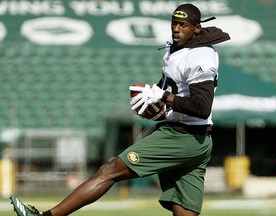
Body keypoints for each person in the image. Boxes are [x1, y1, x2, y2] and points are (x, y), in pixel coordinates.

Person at [10, 3, 230, 216]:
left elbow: (201, 107)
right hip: (196, 140)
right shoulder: (178, 49)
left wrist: (162, 96)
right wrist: (156, 103)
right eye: (174, 23)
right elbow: (176, 91)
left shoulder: (200, 55)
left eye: (183, 25)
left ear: (197, 28)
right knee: (184, 211)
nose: (176, 28)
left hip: (182, 136)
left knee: (109, 170)